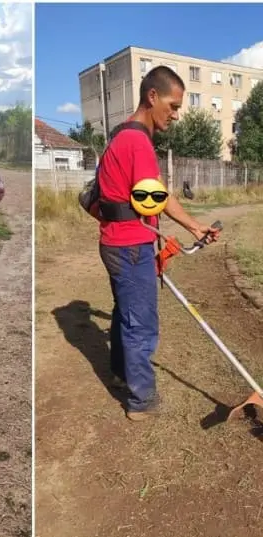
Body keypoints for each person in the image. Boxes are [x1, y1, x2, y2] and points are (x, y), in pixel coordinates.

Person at [96, 65, 220, 421]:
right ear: (152, 96)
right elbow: (161, 197)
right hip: (131, 246)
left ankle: (122, 374)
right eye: (174, 104)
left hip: (115, 243)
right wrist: (195, 226)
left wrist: (192, 228)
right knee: (141, 325)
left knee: (126, 314)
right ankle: (142, 400)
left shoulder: (120, 136)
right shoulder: (137, 141)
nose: (177, 114)